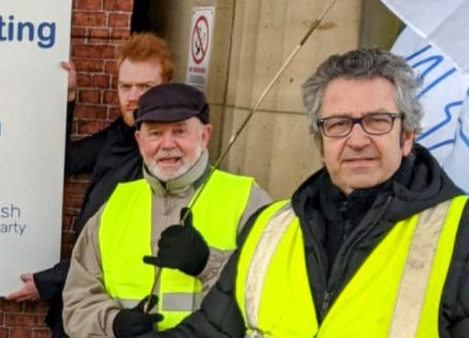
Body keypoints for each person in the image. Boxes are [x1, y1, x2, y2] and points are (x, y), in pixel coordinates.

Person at [150, 48, 469, 337]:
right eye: (339, 124)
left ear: (407, 136)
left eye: (377, 121)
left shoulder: (460, 233)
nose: (357, 140)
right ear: (321, 141)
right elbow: (211, 332)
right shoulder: (269, 227)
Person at [61, 83, 270, 337]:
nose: (167, 144)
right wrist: (113, 323)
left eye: (180, 131)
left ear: (205, 136)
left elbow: (273, 294)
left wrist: (208, 263)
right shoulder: (115, 206)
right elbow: (77, 299)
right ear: (139, 141)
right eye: (155, 133)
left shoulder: (247, 200)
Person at [7, 33, 175, 336]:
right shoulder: (118, 136)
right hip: (82, 308)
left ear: (167, 88)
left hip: (122, 317)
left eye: (146, 87)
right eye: (126, 86)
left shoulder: (168, 160)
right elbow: (66, 160)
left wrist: (47, 282)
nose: (133, 96)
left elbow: (116, 245)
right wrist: (68, 100)